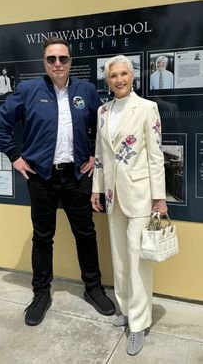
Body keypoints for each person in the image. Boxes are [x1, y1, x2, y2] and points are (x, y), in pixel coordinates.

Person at [0, 38, 115, 326]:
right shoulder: (28, 90)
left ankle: (94, 289)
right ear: (44, 62)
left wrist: (95, 157)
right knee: (43, 237)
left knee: (86, 234)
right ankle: (41, 293)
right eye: (51, 59)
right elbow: (0, 123)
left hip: (76, 177)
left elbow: (105, 128)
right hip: (41, 177)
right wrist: (15, 157)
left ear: (71, 61)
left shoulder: (86, 90)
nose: (57, 64)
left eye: (62, 58)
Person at [91, 55, 167, 356]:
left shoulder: (147, 108)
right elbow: (99, 152)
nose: (119, 79)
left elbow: (155, 155)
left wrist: (159, 197)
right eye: (113, 75)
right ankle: (124, 308)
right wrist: (96, 189)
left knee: (137, 261)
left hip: (139, 194)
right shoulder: (102, 111)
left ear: (132, 77)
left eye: (124, 74)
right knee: (120, 258)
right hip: (112, 195)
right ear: (107, 80)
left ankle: (138, 322)